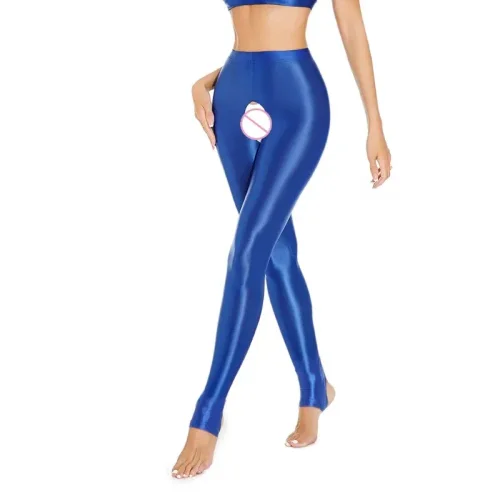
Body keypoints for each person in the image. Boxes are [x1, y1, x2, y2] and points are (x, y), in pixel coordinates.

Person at [172, 0, 392, 479]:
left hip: (297, 103)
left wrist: (374, 125)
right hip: (230, 98)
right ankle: (315, 385)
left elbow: (352, 30)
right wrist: (203, 82)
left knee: (247, 252)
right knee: (275, 253)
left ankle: (208, 412)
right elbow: (249, 30)